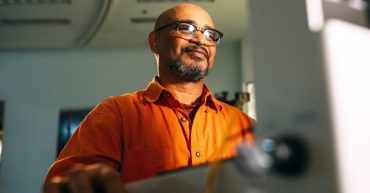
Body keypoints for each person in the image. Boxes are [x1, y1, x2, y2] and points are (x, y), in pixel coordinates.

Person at [43, 3, 254, 193]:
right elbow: (66, 184)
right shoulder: (114, 114)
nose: (200, 39)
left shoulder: (245, 126)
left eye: (210, 35)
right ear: (155, 42)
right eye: (185, 28)